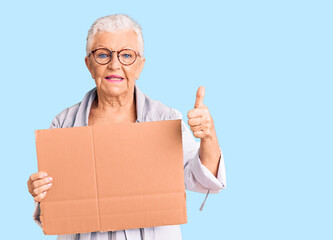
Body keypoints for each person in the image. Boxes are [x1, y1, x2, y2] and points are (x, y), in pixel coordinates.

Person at [27, 14, 226, 240]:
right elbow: (55, 212)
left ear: (140, 66)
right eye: (103, 54)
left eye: (126, 55)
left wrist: (208, 136)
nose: (114, 64)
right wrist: (41, 192)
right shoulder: (63, 125)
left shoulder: (165, 119)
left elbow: (204, 179)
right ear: (89, 65)